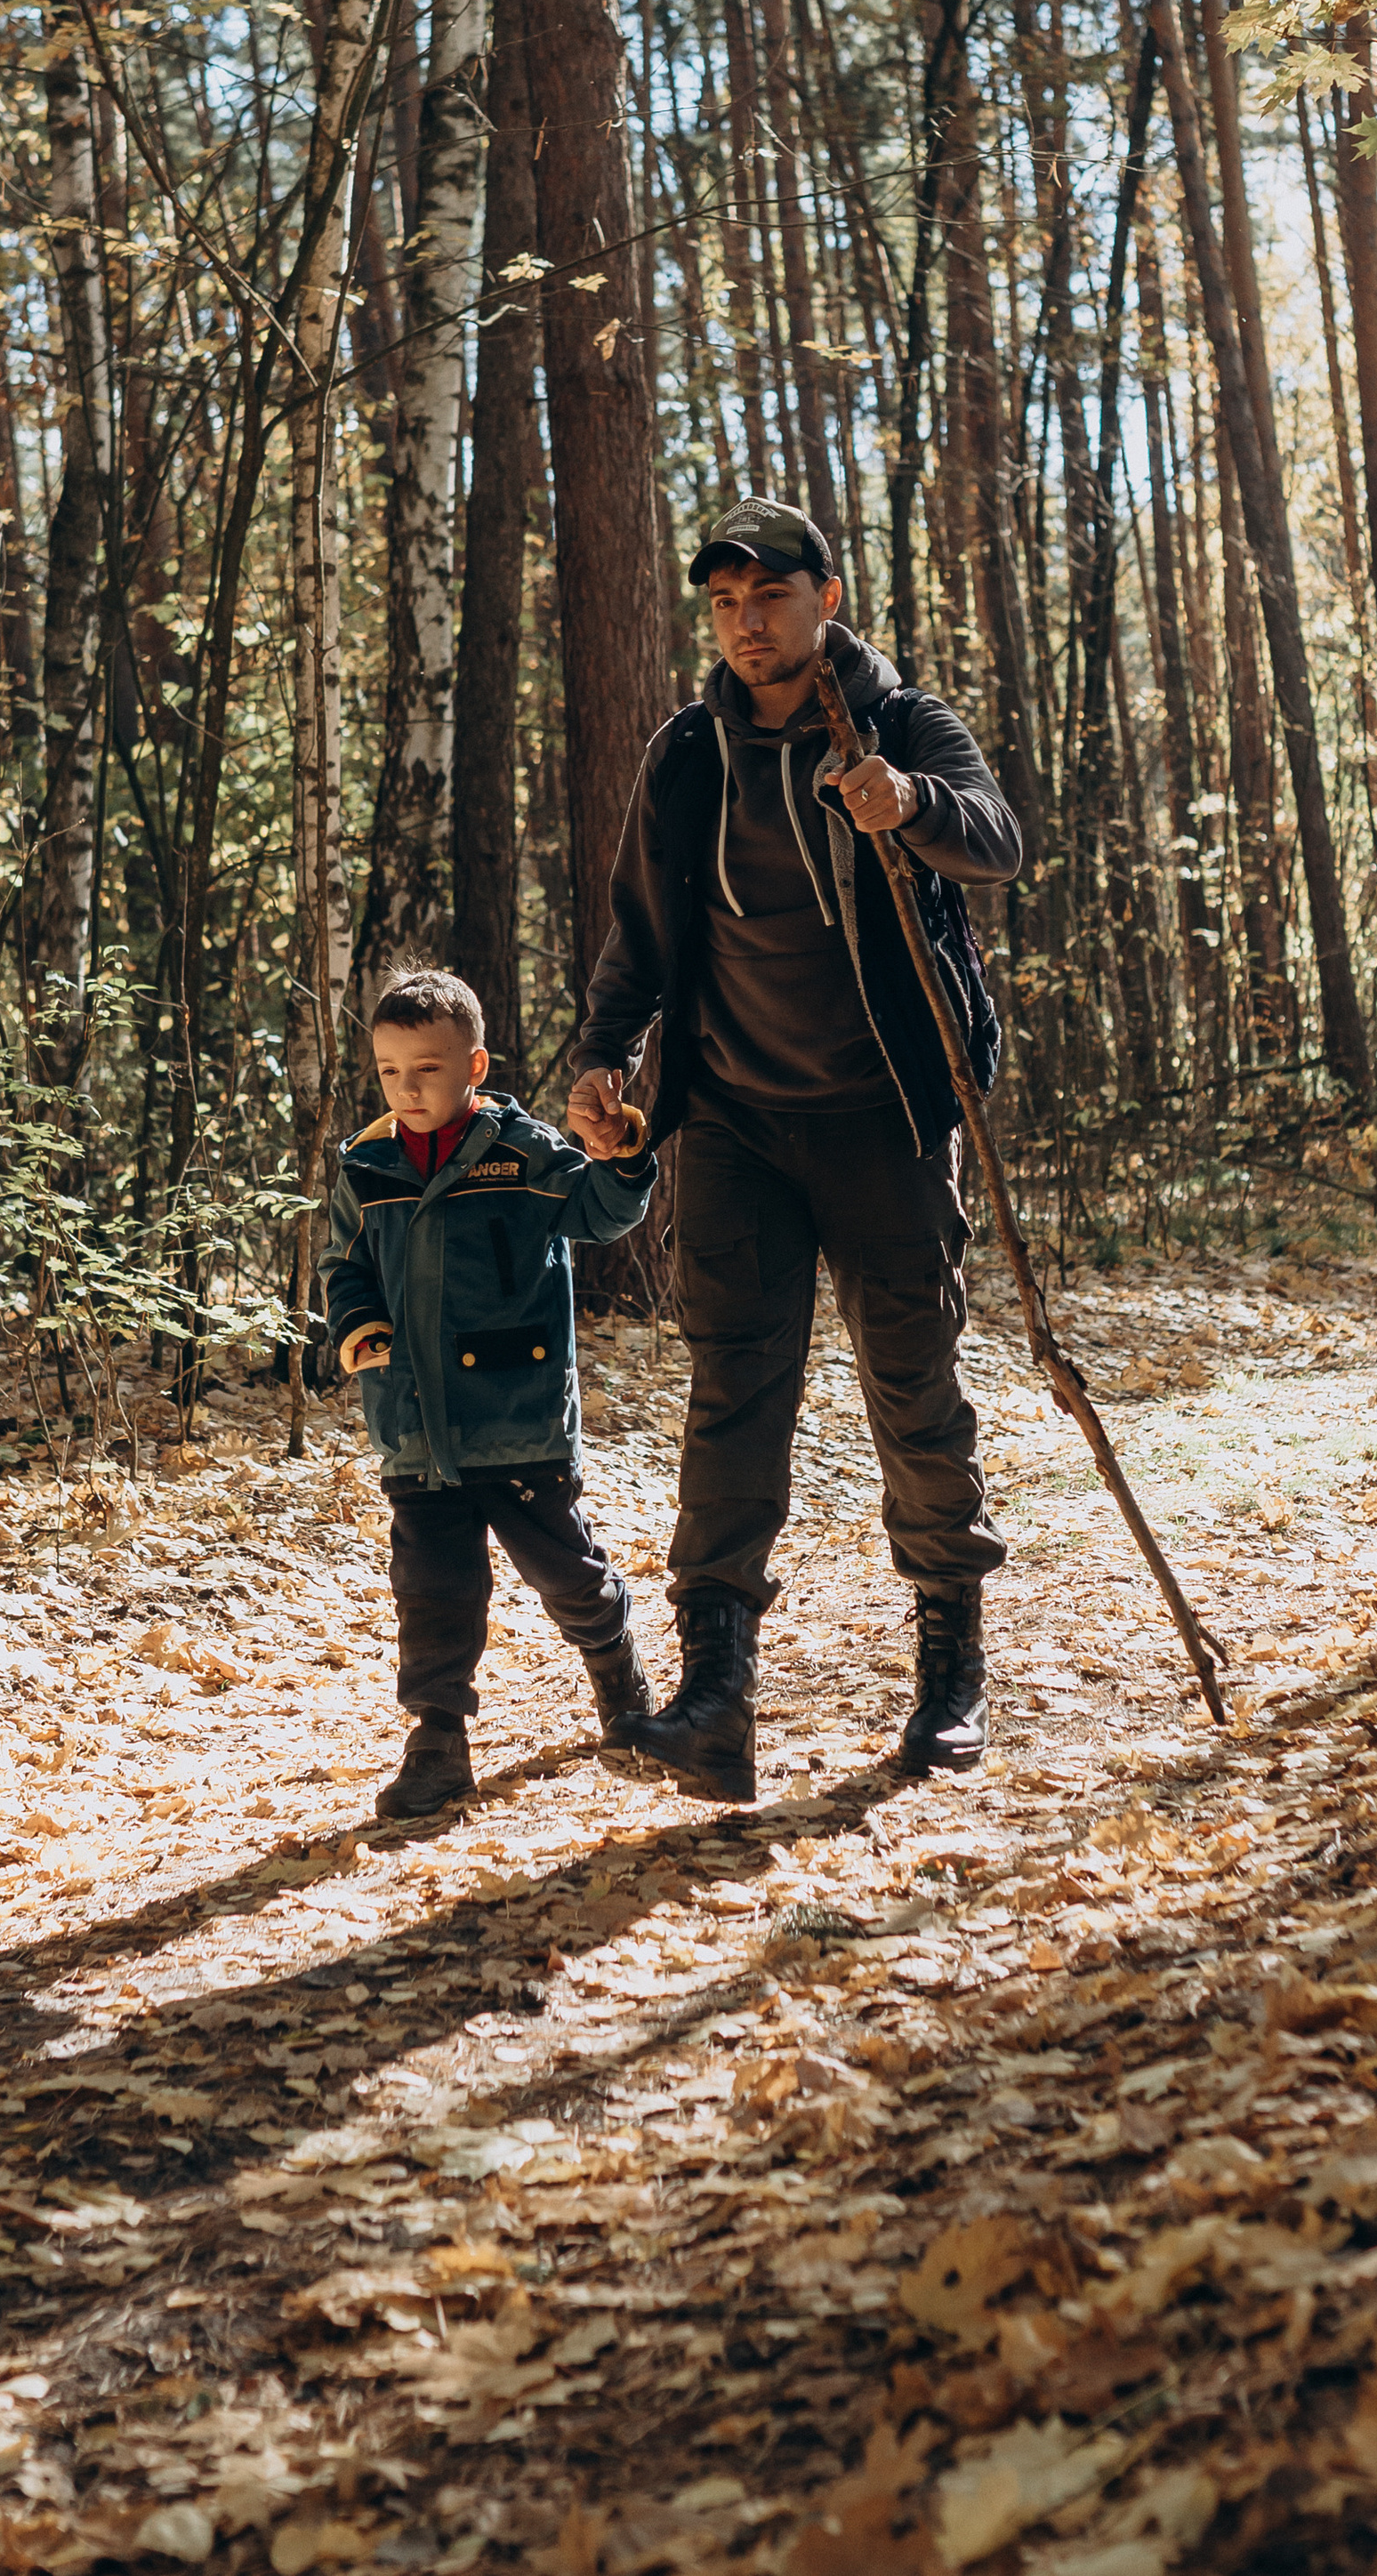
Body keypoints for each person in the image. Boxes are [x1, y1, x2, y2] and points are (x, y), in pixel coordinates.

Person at [563, 498, 1021, 1805]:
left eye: (769, 594)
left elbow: (996, 839)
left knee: (912, 1390)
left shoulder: (902, 722)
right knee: (733, 1397)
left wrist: (910, 799)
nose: (746, 621)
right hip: (739, 1127)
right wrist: (607, 1057)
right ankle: (715, 1696)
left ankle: (948, 1670)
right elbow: (640, 934)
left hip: (885, 1113)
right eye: (723, 602)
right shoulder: (689, 753)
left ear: (828, 593)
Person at [321, 965, 660, 1821]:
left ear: (473, 1067)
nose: (408, 1087)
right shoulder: (366, 1165)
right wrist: (360, 1324)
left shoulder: (524, 1152)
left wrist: (622, 1161)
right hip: (416, 1425)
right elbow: (343, 1264)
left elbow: (599, 1211)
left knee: (563, 1569)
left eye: (427, 1069)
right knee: (432, 1586)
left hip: (520, 1419)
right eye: (392, 1070)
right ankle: (439, 1737)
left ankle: (615, 1663)